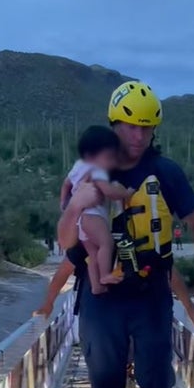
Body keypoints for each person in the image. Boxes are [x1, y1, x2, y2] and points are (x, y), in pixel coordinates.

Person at [57, 80, 194, 388]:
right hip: (102, 295)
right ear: (114, 125)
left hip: (149, 291)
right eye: (130, 127)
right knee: (104, 374)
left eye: (146, 128)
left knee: (156, 374)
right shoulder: (89, 172)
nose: (138, 136)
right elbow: (65, 237)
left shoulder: (165, 173)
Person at [59, 126, 133, 294]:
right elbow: (110, 192)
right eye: (110, 157)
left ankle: (97, 287)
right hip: (93, 216)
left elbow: (66, 184)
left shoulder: (78, 166)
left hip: (80, 220)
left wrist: (63, 202)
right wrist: (126, 193)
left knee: (93, 254)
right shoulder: (96, 170)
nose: (113, 162)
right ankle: (105, 275)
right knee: (106, 244)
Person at [35, 256, 194, 326]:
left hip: (131, 309)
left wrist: (189, 307)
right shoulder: (91, 239)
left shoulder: (141, 239)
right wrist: (48, 303)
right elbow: (64, 270)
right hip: (102, 312)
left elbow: (168, 272)